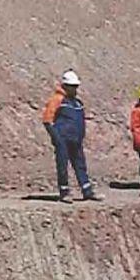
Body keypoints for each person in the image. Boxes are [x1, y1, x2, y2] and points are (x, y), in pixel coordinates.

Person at [41, 70, 99, 202]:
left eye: (76, 86)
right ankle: (64, 192)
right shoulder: (57, 100)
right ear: (65, 86)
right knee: (62, 165)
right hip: (63, 138)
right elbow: (47, 120)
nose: (75, 89)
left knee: (80, 164)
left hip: (76, 139)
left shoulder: (77, 102)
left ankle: (87, 190)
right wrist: (57, 138)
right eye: (72, 86)